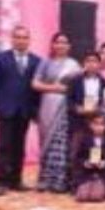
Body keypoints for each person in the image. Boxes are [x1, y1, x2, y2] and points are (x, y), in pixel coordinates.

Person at [0, 25, 41, 196]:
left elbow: (37, 91)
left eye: (24, 37)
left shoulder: (36, 61)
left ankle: (16, 180)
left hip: (25, 111)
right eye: (18, 37)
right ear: (12, 39)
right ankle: (2, 181)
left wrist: (36, 111)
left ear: (29, 40)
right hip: (6, 109)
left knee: (19, 146)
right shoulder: (0, 59)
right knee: (5, 146)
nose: (21, 41)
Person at [32, 33, 81, 193]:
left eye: (64, 42)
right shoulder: (45, 63)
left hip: (64, 107)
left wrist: (65, 90)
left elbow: (77, 87)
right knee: (45, 139)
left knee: (61, 142)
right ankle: (45, 180)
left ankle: (60, 180)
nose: (60, 45)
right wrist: (55, 88)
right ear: (52, 45)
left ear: (69, 46)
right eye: (57, 42)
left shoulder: (74, 65)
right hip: (47, 104)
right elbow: (35, 84)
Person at [68, 51, 105, 167]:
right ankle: (73, 176)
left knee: (95, 147)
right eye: (88, 61)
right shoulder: (75, 81)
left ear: (99, 64)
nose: (91, 64)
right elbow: (68, 100)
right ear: (84, 63)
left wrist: (99, 108)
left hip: (97, 122)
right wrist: (77, 108)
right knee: (75, 150)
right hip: (78, 120)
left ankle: (95, 174)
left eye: (94, 61)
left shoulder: (104, 83)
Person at [72, 113, 105, 202]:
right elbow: (78, 158)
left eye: (102, 124)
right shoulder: (85, 140)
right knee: (82, 196)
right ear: (90, 125)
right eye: (96, 124)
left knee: (96, 196)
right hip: (86, 174)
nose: (99, 127)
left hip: (102, 174)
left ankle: (103, 188)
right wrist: (85, 163)